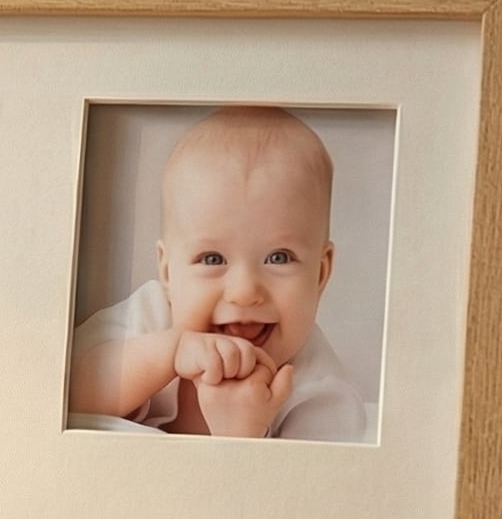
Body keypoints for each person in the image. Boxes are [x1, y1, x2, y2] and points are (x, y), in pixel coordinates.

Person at [68, 106, 366, 440]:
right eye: (212, 259)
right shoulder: (150, 316)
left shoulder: (321, 397)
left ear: (320, 274)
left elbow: (309, 475)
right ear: (168, 272)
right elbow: (64, 393)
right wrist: (171, 351)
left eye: (279, 257)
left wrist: (239, 433)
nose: (244, 291)